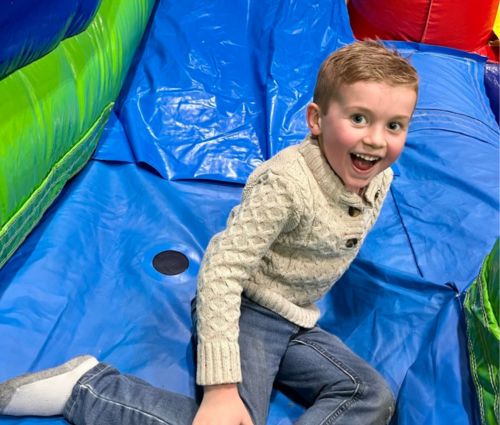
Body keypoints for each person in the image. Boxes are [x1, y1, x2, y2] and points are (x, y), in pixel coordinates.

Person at [0, 40, 418, 425]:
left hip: (295, 319)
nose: (376, 141)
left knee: (371, 396)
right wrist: (220, 388)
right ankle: (88, 388)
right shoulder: (286, 185)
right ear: (316, 120)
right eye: (359, 118)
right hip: (244, 311)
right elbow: (221, 273)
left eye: (394, 126)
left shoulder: (380, 179)